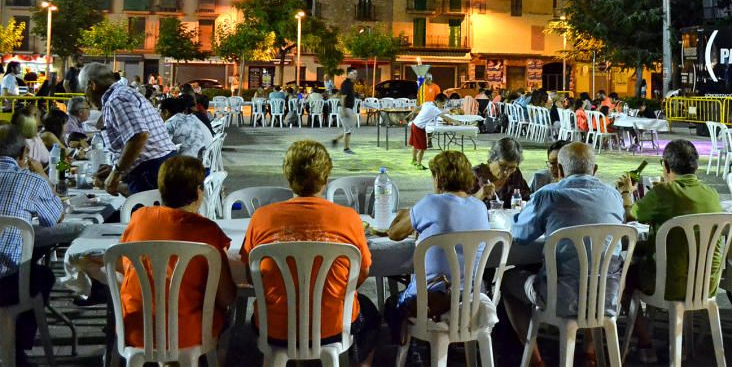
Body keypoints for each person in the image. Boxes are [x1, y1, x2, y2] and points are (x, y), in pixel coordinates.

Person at [240, 141, 379, 365]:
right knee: (370, 315)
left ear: (288, 176)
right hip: (333, 326)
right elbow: (361, 274)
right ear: (325, 179)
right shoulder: (349, 218)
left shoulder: (261, 218)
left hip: (274, 327)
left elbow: (251, 276)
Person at [506, 142, 625, 367]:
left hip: (559, 297)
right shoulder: (614, 196)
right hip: (608, 297)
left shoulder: (549, 194)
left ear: (559, 170)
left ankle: (534, 359)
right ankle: (589, 352)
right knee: (591, 270)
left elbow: (520, 235)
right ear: (595, 169)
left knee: (508, 280)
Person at [617, 140, 722, 362]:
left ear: (665, 166)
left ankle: (645, 343)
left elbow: (630, 215)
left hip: (668, 284)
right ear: (696, 166)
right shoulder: (711, 194)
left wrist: (627, 192)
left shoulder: (664, 192)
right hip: (706, 284)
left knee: (622, 276)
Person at [118, 155, 237, 350]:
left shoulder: (139, 218)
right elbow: (225, 296)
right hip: (187, 334)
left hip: (135, 330)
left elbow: (121, 265)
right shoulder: (207, 231)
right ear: (199, 192)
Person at [386, 150, 489, 344]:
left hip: (432, 301)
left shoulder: (430, 203)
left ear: (438, 178)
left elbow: (394, 233)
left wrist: (409, 212)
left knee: (391, 305)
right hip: (470, 298)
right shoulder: (479, 206)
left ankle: (411, 348)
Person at [0, 124, 62, 366]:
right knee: (41, 275)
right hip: (6, 284)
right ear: (24, 153)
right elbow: (55, 216)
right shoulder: (29, 181)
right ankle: (16, 348)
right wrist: (43, 177)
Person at [80, 62, 178, 195]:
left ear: (92, 85)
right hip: (158, 166)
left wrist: (116, 173)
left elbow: (139, 136)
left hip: (150, 170)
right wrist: (117, 167)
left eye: (85, 92)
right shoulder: (124, 93)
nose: (87, 98)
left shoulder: (116, 99)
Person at [470, 137, 531, 208]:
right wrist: (479, 195)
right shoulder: (474, 175)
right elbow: (461, 207)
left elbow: (527, 199)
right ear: (492, 158)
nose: (506, 172)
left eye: (512, 168)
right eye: (502, 165)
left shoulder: (515, 175)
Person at [407, 93, 460, 169]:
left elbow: (417, 108)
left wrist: (410, 115)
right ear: (437, 101)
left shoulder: (427, 103)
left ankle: (414, 160)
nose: (443, 106)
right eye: (442, 104)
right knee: (422, 148)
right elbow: (444, 117)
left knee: (415, 145)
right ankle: (418, 165)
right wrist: (456, 121)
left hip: (414, 124)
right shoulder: (434, 109)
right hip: (419, 127)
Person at [331, 69, 358, 155]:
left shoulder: (350, 84)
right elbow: (343, 98)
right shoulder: (346, 84)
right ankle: (346, 148)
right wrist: (343, 111)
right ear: (348, 74)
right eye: (353, 73)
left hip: (348, 108)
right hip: (345, 108)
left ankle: (336, 139)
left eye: (356, 73)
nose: (355, 75)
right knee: (348, 129)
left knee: (350, 125)